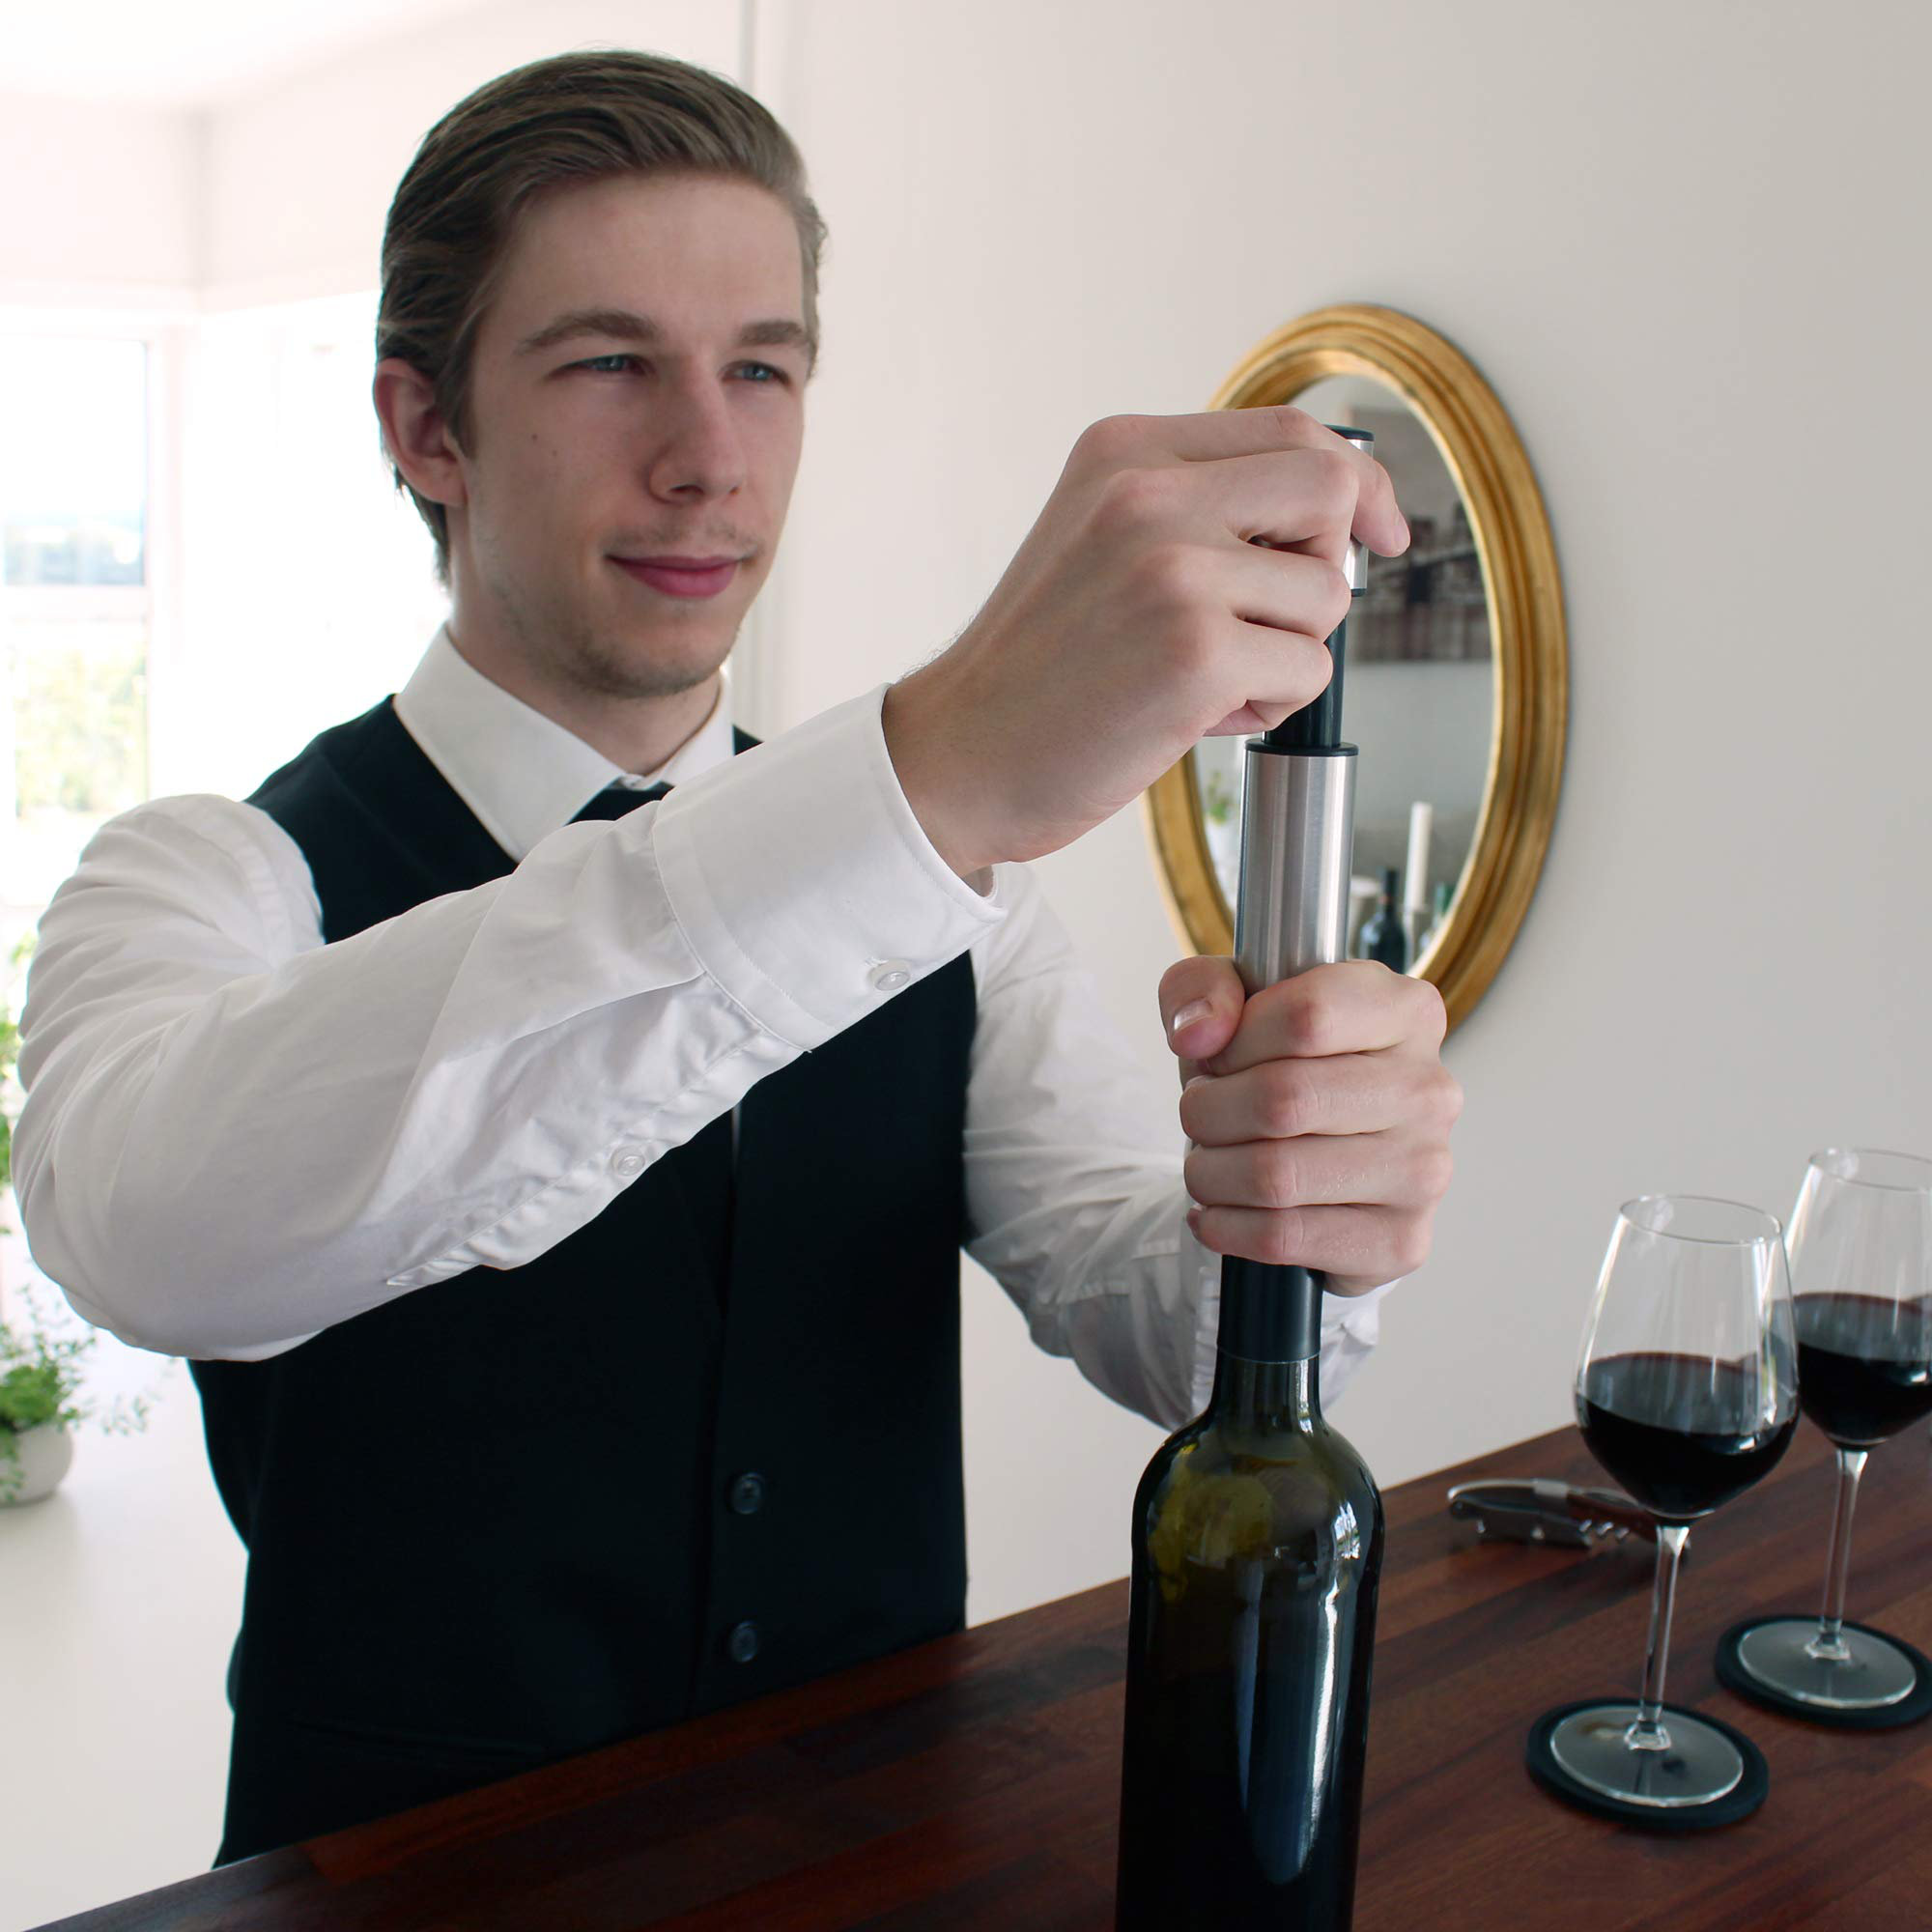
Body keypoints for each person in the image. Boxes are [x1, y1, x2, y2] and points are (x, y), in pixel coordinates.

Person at [13, 50, 1459, 1865]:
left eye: (762, 368)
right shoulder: (209, 876)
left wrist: (1305, 1196)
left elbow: (1167, 1328)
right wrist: (928, 775)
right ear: (425, 428)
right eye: (611, 363)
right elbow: (145, 1232)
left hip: (880, 1865)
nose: (709, 460)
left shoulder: (961, 906)